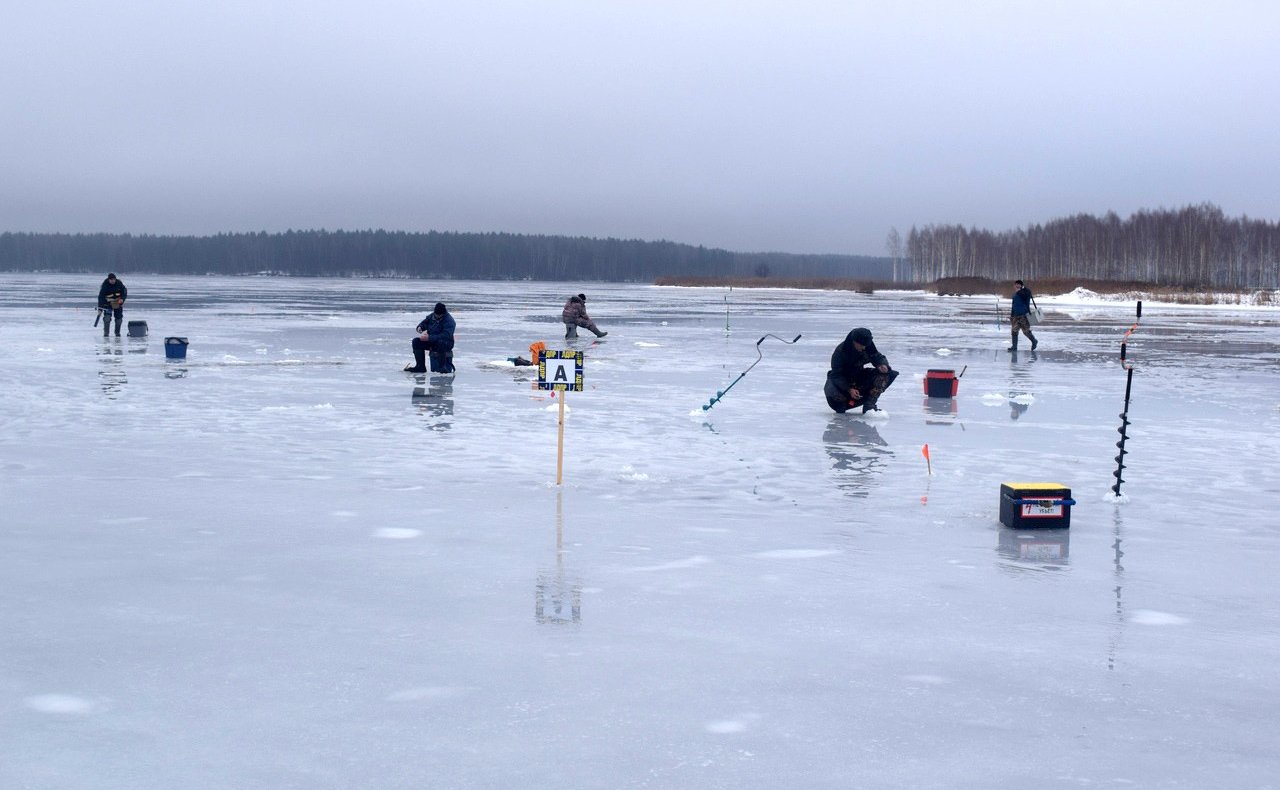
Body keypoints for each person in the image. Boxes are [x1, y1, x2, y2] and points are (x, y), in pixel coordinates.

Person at [824, 327, 899, 414]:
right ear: (854, 342)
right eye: (861, 345)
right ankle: (841, 406)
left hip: (858, 379)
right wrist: (849, 389)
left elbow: (877, 356)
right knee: (832, 388)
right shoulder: (840, 352)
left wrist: (882, 364)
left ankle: (869, 406)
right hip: (842, 384)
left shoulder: (867, 345)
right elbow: (836, 375)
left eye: (865, 345)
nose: (864, 348)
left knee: (885, 374)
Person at [405, 302, 456, 373]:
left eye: (439, 315)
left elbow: (446, 335)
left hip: (446, 343)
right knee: (416, 342)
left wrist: (429, 338)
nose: (437, 316)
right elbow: (424, 323)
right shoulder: (432, 316)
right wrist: (420, 327)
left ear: (443, 313)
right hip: (432, 341)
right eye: (436, 314)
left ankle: (442, 368)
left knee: (441, 342)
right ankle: (420, 367)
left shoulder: (449, 321)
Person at [1008, 279, 1039, 351]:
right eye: (1015, 284)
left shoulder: (1026, 291)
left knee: (1026, 331)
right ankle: (1014, 347)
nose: (1016, 285)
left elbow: (1026, 296)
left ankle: (1034, 341)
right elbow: (1013, 305)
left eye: (1018, 284)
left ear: (1021, 285)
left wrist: (1019, 291)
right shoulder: (1015, 294)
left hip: (1024, 315)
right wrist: (1012, 315)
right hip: (1016, 316)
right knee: (1014, 331)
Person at [97, 273, 127, 337]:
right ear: (108, 280)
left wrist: (122, 299)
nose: (113, 281)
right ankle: (106, 333)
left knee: (119, 319)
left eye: (114, 279)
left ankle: (117, 333)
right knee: (107, 319)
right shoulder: (105, 286)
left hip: (117, 303)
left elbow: (124, 292)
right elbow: (101, 298)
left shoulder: (119, 284)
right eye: (111, 280)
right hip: (108, 304)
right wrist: (100, 309)